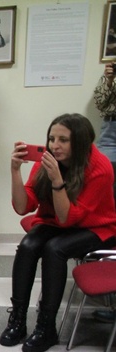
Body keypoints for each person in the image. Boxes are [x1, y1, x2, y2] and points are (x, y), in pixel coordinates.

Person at [0, 114, 116, 352]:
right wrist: (15, 171)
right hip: (58, 221)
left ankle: (46, 327)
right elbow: (23, 207)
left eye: (63, 140)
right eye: (52, 138)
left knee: (55, 249)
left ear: (80, 143)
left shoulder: (100, 167)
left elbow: (68, 217)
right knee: (29, 245)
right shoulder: (47, 160)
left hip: (95, 227)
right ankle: (18, 320)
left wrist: (56, 181)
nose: (54, 145)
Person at [91, 62, 116, 323]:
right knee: (107, 204)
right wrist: (109, 80)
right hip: (110, 136)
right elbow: (102, 104)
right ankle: (105, 275)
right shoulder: (111, 74)